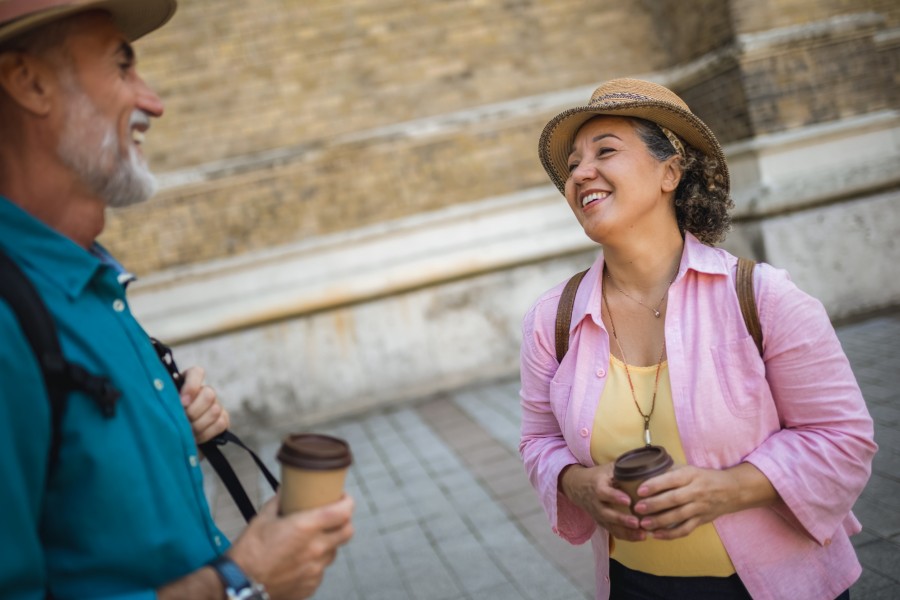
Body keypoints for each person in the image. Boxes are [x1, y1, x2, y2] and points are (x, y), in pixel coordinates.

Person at [0, 1, 353, 598]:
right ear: (29, 83)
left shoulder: (86, 281)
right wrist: (243, 581)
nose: (153, 101)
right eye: (122, 66)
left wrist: (164, 430)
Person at [518, 78, 877, 600]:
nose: (581, 173)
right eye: (572, 164)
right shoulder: (552, 319)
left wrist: (729, 490)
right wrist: (576, 484)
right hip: (632, 587)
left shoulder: (763, 296)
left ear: (670, 171)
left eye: (605, 151)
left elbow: (844, 440)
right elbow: (537, 442)